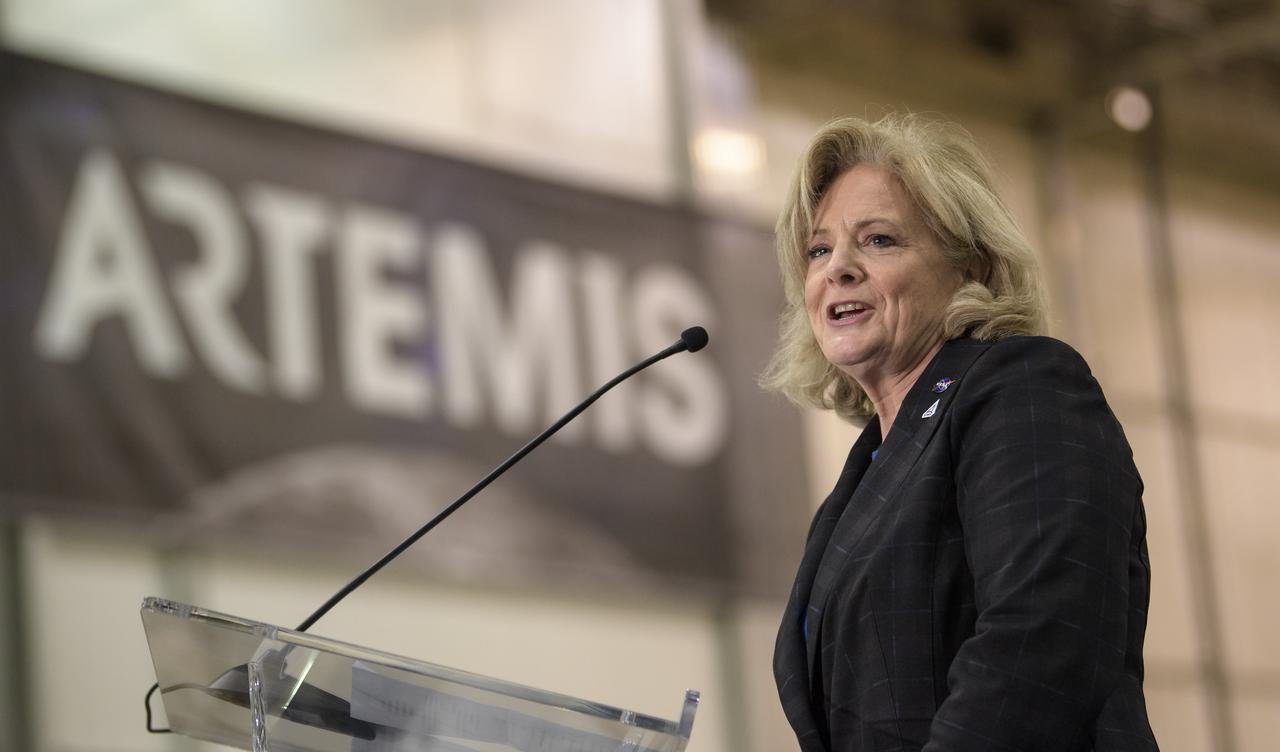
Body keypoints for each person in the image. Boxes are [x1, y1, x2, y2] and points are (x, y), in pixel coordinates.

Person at [763, 114, 1159, 751]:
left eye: (878, 240)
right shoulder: (869, 470)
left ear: (969, 264)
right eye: (818, 250)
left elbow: (1041, 637)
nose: (838, 267)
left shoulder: (1026, 386)